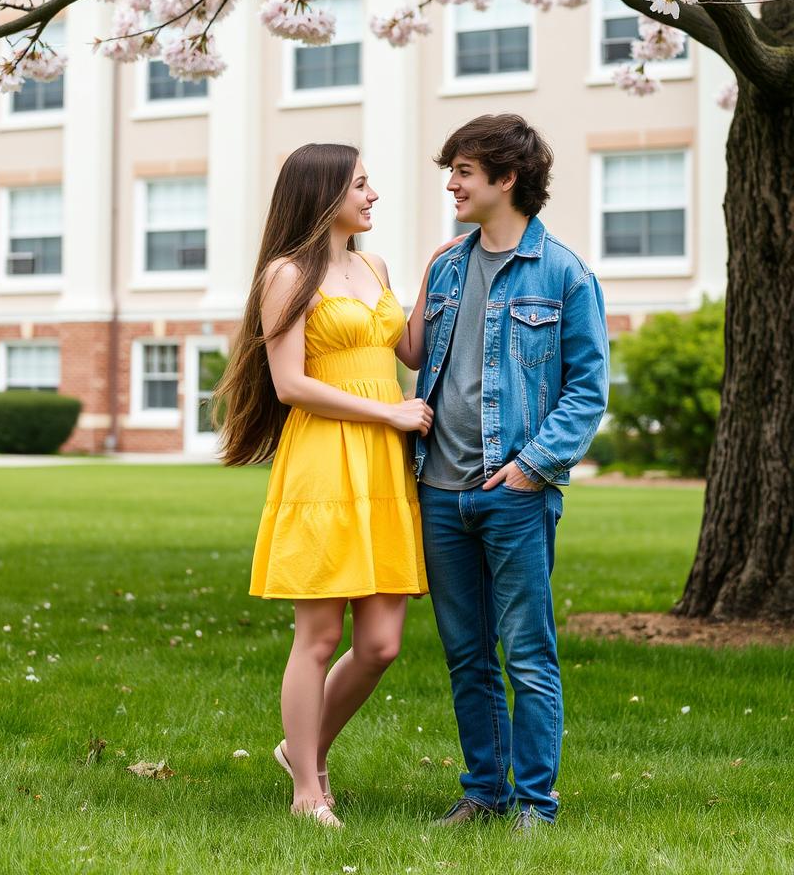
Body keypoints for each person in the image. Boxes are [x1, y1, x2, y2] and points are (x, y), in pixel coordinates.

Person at [215, 143, 434, 828]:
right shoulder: (286, 274)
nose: (373, 196)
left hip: (382, 467)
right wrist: (390, 411)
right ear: (323, 193)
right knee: (316, 637)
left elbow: (411, 351)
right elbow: (290, 385)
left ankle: (299, 749)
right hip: (323, 462)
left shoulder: (375, 264)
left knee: (380, 645)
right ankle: (308, 789)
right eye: (361, 185)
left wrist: (435, 272)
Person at [411, 114, 609, 833]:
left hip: (514, 494)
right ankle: (484, 793)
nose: (452, 182)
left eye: (464, 170)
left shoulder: (563, 274)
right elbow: (415, 356)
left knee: (527, 653)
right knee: (467, 656)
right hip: (439, 491)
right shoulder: (448, 265)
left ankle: (535, 804)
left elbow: (588, 389)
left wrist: (533, 468)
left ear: (507, 178)